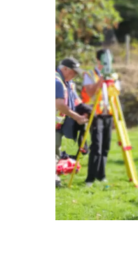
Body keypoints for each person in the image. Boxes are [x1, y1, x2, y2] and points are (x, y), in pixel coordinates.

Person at [80, 49, 116, 187]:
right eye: (104, 60)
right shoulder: (89, 74)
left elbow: (115, 94)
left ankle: (101, 175)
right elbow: (89, 92)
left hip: (108, 114)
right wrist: (101, 80)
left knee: (106, 146)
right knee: (96, 146)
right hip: (95, 114)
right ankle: (90, 178)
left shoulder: (113, 75)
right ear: (98, 60)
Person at [56, 58, 87, 188]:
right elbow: (59, 105)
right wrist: (76, 117)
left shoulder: (69, 83)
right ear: (65, 69)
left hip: (58, 124)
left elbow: (76, 101)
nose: (75, 75)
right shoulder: (56, 82)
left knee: (56, 152)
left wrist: (88, 111)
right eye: (73, 72)